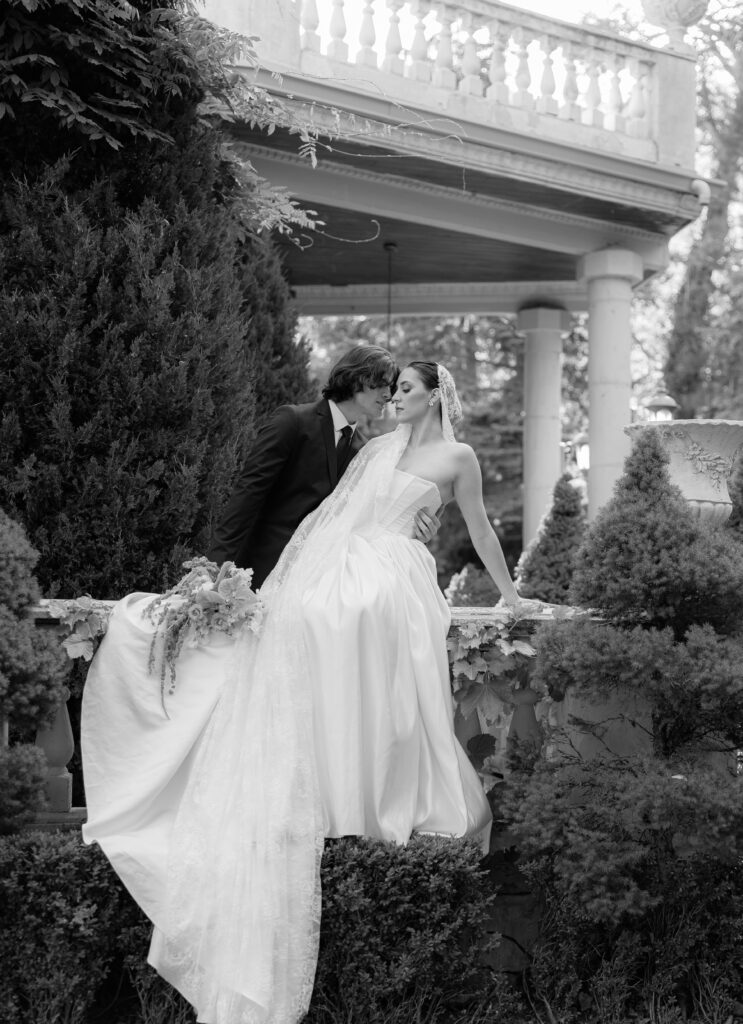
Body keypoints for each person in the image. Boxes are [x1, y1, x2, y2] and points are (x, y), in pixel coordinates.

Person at [81, 361, 532, 1024]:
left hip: (397, 573)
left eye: (405, 389)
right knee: (319, 621)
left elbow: (481, 527)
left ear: (433, 397)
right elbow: (328, 519)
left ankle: (373, 787)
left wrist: (510, 595)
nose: (393, 397)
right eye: (390, 388)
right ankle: (321, 778)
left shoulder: (458, 455)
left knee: (375, 645)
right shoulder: (373, 448)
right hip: (346, 564)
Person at [207, 343, 436, 588]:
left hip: (318, 585)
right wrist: (211, 572)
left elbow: (368, 521)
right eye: (380, 384)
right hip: (259, 572)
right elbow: (246, 498)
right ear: (356, 378)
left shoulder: (366, 451)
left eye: (390, 387)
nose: (388, 395)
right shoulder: (292, 422)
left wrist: (414, 531)